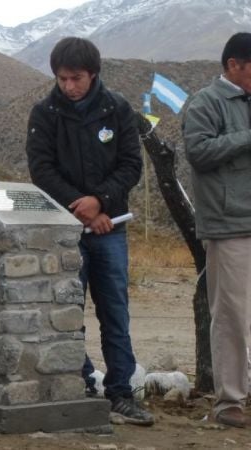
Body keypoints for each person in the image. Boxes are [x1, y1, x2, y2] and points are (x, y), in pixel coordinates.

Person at [25, 37, 154, 426]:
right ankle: (77, 382)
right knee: (68, 309)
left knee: (115, 310)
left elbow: (131, 165)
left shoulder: (117, 109)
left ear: (92, 74)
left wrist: (100, 201)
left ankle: (120, 392)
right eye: (62, 79)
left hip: (110, 227)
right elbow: (41, 169)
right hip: (66, 231)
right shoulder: (44, 112)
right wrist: (80, 207)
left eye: (76, 78)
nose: (69, 86)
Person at [182, 32, 251, 429]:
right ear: (233, 65)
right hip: (229, 225)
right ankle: (229, 402)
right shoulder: (206, 103)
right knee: (231, 316)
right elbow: (198, 152)